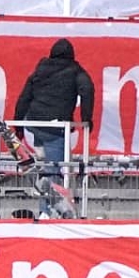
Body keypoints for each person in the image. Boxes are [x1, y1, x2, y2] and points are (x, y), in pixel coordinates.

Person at [15, 37, 94, 217]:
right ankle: (48, 212)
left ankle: (46, 206)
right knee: (53, 172)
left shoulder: (40, 70)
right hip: (55, 128)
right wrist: (86, 119)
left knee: (45, 168)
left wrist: (18, 124)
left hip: (35, 124)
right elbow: (87, 90)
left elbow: (25, 96)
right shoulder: (75, 71)